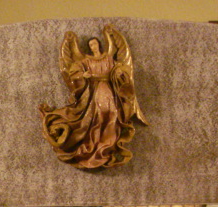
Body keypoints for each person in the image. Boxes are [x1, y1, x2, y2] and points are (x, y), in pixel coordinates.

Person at [39, 25, 147, 169]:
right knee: (99, 114)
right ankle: (95, 145)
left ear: (99, 45)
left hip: (108, 88)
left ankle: (108, 145)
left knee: (113, 113)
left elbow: (119, 67)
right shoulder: (86, 61)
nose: (93, 46)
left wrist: (119, 71)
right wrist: (83, 75)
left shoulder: (108, 58)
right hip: (95, 89)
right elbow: (72, 71)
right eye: (91, 45)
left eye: (95, 44)